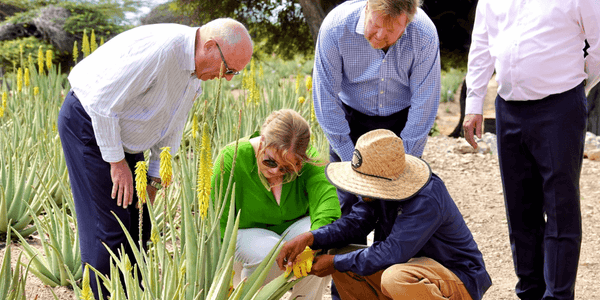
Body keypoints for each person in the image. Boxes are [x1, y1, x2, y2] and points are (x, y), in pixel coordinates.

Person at [57, 19, 253, 299]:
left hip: (125, 132)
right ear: (210, 47)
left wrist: (154, 177)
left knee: (140, 222)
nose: (229, 78)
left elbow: (172, 122)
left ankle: (131, 294)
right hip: (89, 123)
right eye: (230, 69)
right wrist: (116, 162)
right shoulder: (162, 52)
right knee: (109, 229)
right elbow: (101, 104)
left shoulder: (194, 69)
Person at [463, 1, 600, 299]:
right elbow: (482, 44)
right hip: (508, 107)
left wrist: (577, 85)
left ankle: (558, 295)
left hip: (560, 105)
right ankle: (529, 291)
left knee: (559, 206)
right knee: (519, 208)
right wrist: (473, 103)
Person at [277, 129, 492, 300]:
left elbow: (392, 252)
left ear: (383, 180)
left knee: (394, 277)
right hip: (412, 272)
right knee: (343, 258)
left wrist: (333, 262)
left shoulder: (426, 198)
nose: (359, 190)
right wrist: (312, 237)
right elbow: (355, 224)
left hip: (455, 278)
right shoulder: (379, 187)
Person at [312, 0, 441, 234]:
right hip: (350, 122)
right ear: (367, 6)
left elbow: (425, 104)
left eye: (391, 30)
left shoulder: (424, 33)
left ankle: (389, 269)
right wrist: (351, 162)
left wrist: (400, 170)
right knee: (346, 211)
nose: (380, 36)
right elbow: (325, 98)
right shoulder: (335, 27)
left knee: (395, 213)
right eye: (374, 24)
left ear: (408, 20)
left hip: (401, 124)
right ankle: (344, 267)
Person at [210, 109, 341, 300]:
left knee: (324, 239)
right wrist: (222, 271)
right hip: (245, 235)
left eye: (287, 168)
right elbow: (217, 220)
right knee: (271, 252)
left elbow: (328, 205)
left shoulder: (308, 161)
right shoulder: (231, 157)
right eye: (270, 162)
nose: (276, 172)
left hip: (291, 232)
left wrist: (312, 243)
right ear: (262, 141)